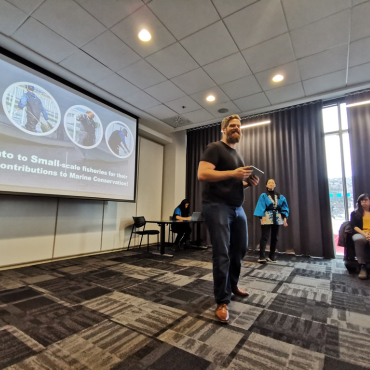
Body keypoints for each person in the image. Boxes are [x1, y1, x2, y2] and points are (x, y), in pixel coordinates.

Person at [198, 114, 259, 324]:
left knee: (239, 249)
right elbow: (203, 174)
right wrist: (233, 174)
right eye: (232, 126)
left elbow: (231, 182)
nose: (236, 129)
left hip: (236, 208)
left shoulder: (238, 156)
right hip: (216, 207)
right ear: (224, 129)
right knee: (222, 253)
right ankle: (222, 300)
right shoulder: (214, 148)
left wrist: (246, 183)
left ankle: (232, 285)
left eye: (239, 127)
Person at [254, 179, 289, 263]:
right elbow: (261, 206)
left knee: (275, 237)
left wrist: (284, 219)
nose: (271, 184)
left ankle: (271, 256)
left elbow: (284, 207)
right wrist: (261, 217)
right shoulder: (263, 195)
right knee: (264, 236)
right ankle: (262, 256)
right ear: (266, 185)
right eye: (269, 183)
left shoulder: (280, 196)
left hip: (277, 216)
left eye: (272, 183)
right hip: (267, 215)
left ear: (275, 185)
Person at [350, 193, 370, 279]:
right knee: (359, 239)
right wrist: (365, 234)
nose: (364, 202)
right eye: (362, 200)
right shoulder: (354, 213)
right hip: (360, 233)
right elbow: (354, 226)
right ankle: (362, 266)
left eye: (366, 200)